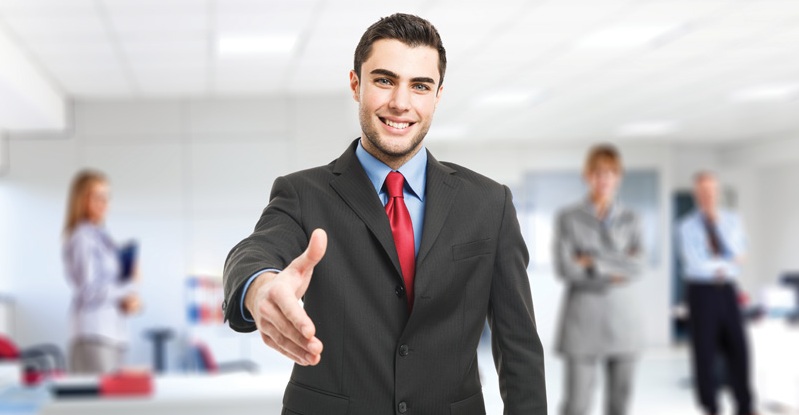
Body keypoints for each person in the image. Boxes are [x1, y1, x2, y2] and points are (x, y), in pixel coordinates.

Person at [222, 13, 546, 415]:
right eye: (384, 80)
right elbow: (254, 251)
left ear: (437, 95)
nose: (400, 102)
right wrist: (260, 288)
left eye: (420, 86)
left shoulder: (488, 203)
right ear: (356, 84)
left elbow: (519, 348)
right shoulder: (304, 193)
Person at [553, 144, 644, 415]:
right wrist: (615, 267)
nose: (604, 179)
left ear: (619, 177)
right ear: (587, 175)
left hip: (623, 323)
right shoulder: (568, 218)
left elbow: (636, 266)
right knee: (576, 406)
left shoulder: (632, 219)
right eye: (597, 172)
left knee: (620, 405)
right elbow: (566, 268)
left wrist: (591, 261)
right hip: (582, 322)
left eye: (610, 173)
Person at [677, 171, 756, 415]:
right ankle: (710, 407)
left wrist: (718, 225)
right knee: (704, 351)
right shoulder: (685, 226)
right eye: (702, 191)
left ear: (717, 192)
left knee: (739, 348)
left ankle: (745, 406)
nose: (707, 196)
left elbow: (740, 254)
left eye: (711, 191)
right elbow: (694, 264)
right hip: (701, 293)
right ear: (696, 194)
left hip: (728, 291)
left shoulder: (732, 220)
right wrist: (726, 265)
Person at [63, 169, 140, 374]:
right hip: (94, 334)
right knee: (97, 404)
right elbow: (89, 290)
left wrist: (128, 296)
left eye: (107, 197)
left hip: (111, 333)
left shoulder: (101, 236)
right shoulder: (82, 237)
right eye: (97, 197)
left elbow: (107, 284)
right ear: (82, 200)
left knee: (113, 403)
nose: (104, 203)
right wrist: (123, 293)